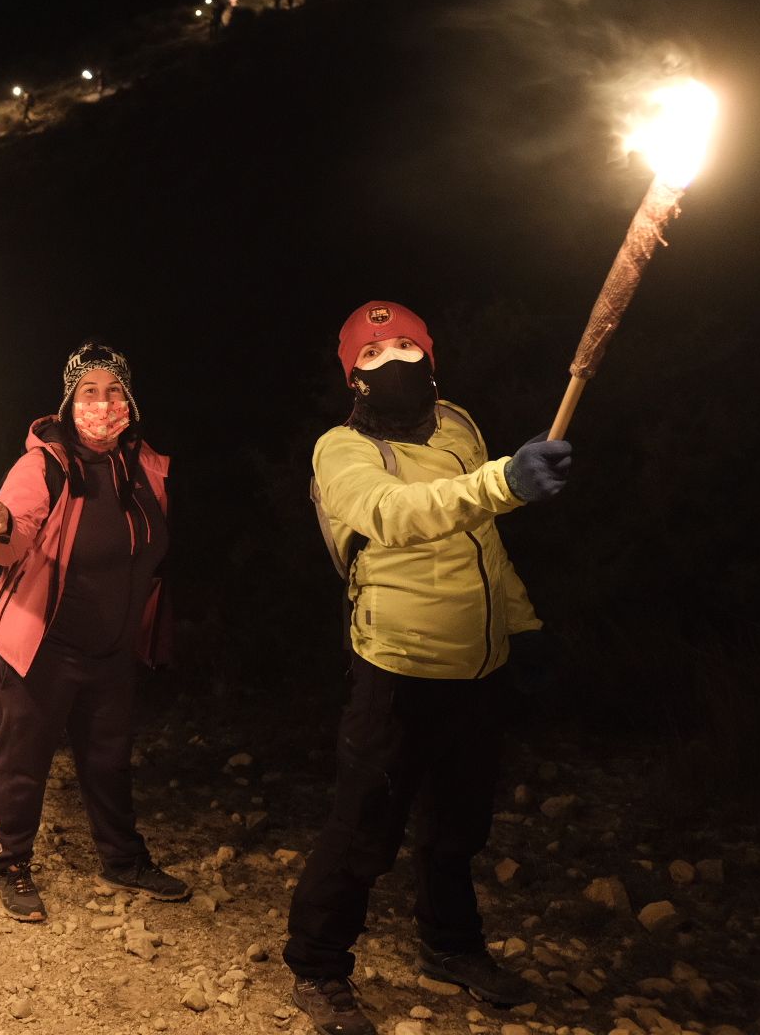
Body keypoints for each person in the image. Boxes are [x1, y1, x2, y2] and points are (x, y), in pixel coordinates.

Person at [284, 302, 572, 1034]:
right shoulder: (339, 451)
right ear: (353, 378)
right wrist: (506, 482)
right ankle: (318, 967)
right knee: (362, 832)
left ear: (431, 356)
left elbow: (484, 543)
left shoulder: (459, 426)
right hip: (398, 668)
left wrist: (522, 623)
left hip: (480, 665)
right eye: (374, 355)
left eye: (406, 345)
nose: (395, 361)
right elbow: (395, 513)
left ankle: (451, 947)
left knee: (458, 826)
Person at [0, 342, 187, 923]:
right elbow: (11, 537)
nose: (102, 402)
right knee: (24, 759)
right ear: (68, 403)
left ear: (129, 400)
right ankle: (10, 858)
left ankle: (122, 859)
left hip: (112, 646)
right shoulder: (44, 464)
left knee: (109, 758)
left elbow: (153, 552)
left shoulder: (146, 468)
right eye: (88, 391)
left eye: (113, 390)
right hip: (42, 642)